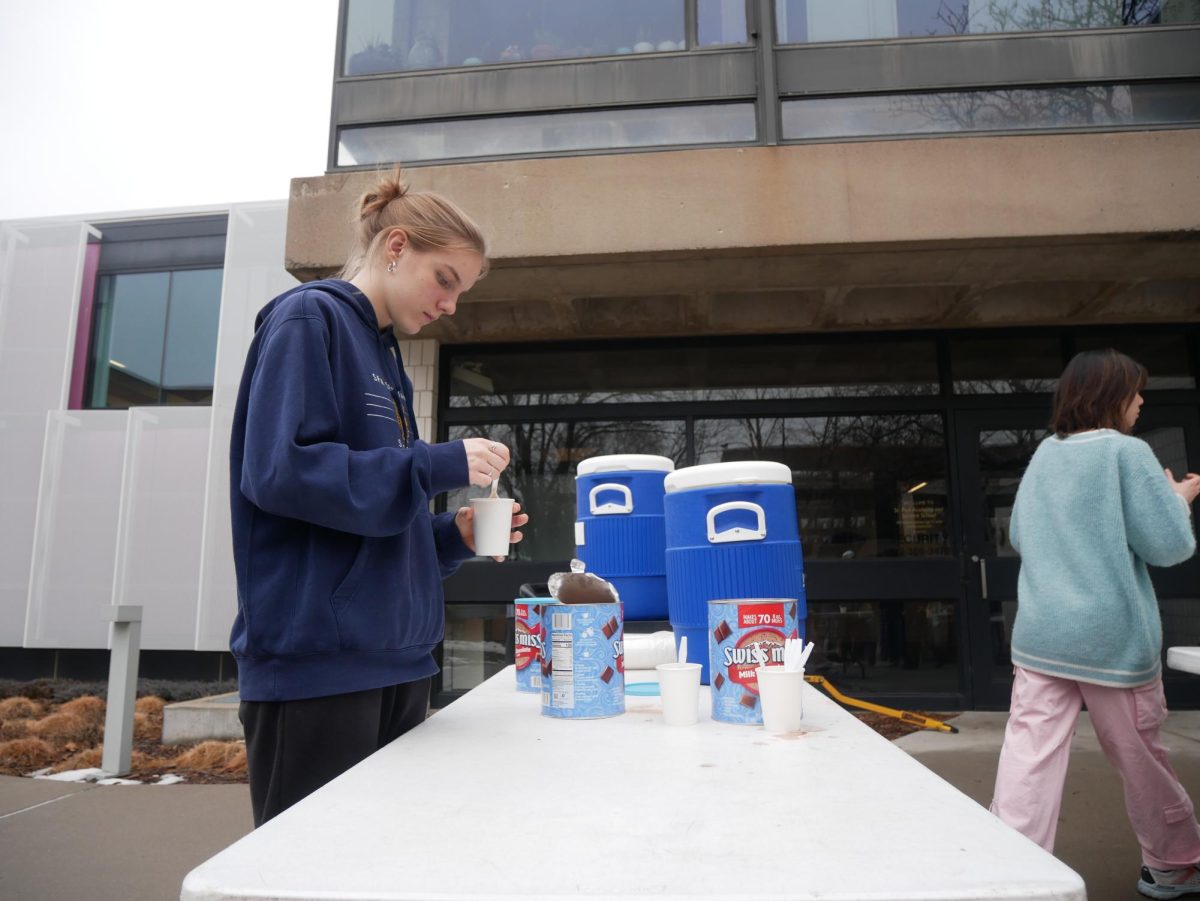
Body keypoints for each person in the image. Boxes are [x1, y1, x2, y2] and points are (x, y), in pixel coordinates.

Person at [229, 167, 528, 826]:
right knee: (305, 878)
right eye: (445, 279)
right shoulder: (309, 318)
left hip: (398, 664)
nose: (451, 303)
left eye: (462, 291)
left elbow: (366, 508)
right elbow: (280, 471)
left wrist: (450, 533)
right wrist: (437, 462)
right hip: (319, 671)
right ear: (396, 246)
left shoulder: (388, 361)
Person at [989, 348, 1200, 899]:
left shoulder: (1044, 455)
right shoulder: (1128, 455)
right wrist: (1178, 500)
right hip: (1112, 642)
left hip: (1041, 638)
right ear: (1111, 397)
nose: (1141, 401)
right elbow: (1170, 546)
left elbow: (1019, 537)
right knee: (1140, 760)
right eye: (1134, 392)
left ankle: (1014, 877)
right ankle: (1174, 867)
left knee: (1027, 760)